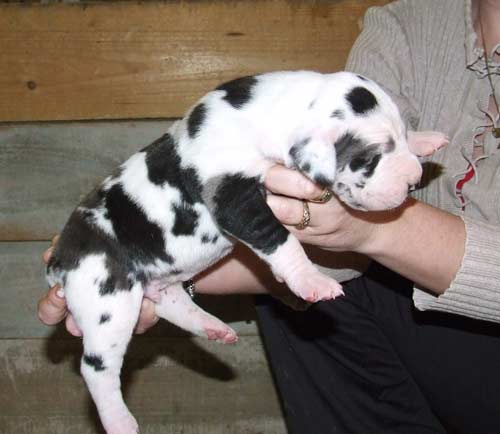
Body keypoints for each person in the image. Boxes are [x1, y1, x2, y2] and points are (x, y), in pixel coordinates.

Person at [38, 0, 500, 432]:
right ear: (313, 154)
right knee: (304, 295)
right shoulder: (404, 25)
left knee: (300, 273)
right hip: (133, 248)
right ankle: (161, 305)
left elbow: (338, 195)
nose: (414, 176)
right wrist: (147, 277)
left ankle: (170, 293)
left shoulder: (268, 117)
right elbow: (296, 224)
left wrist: (367, 227)